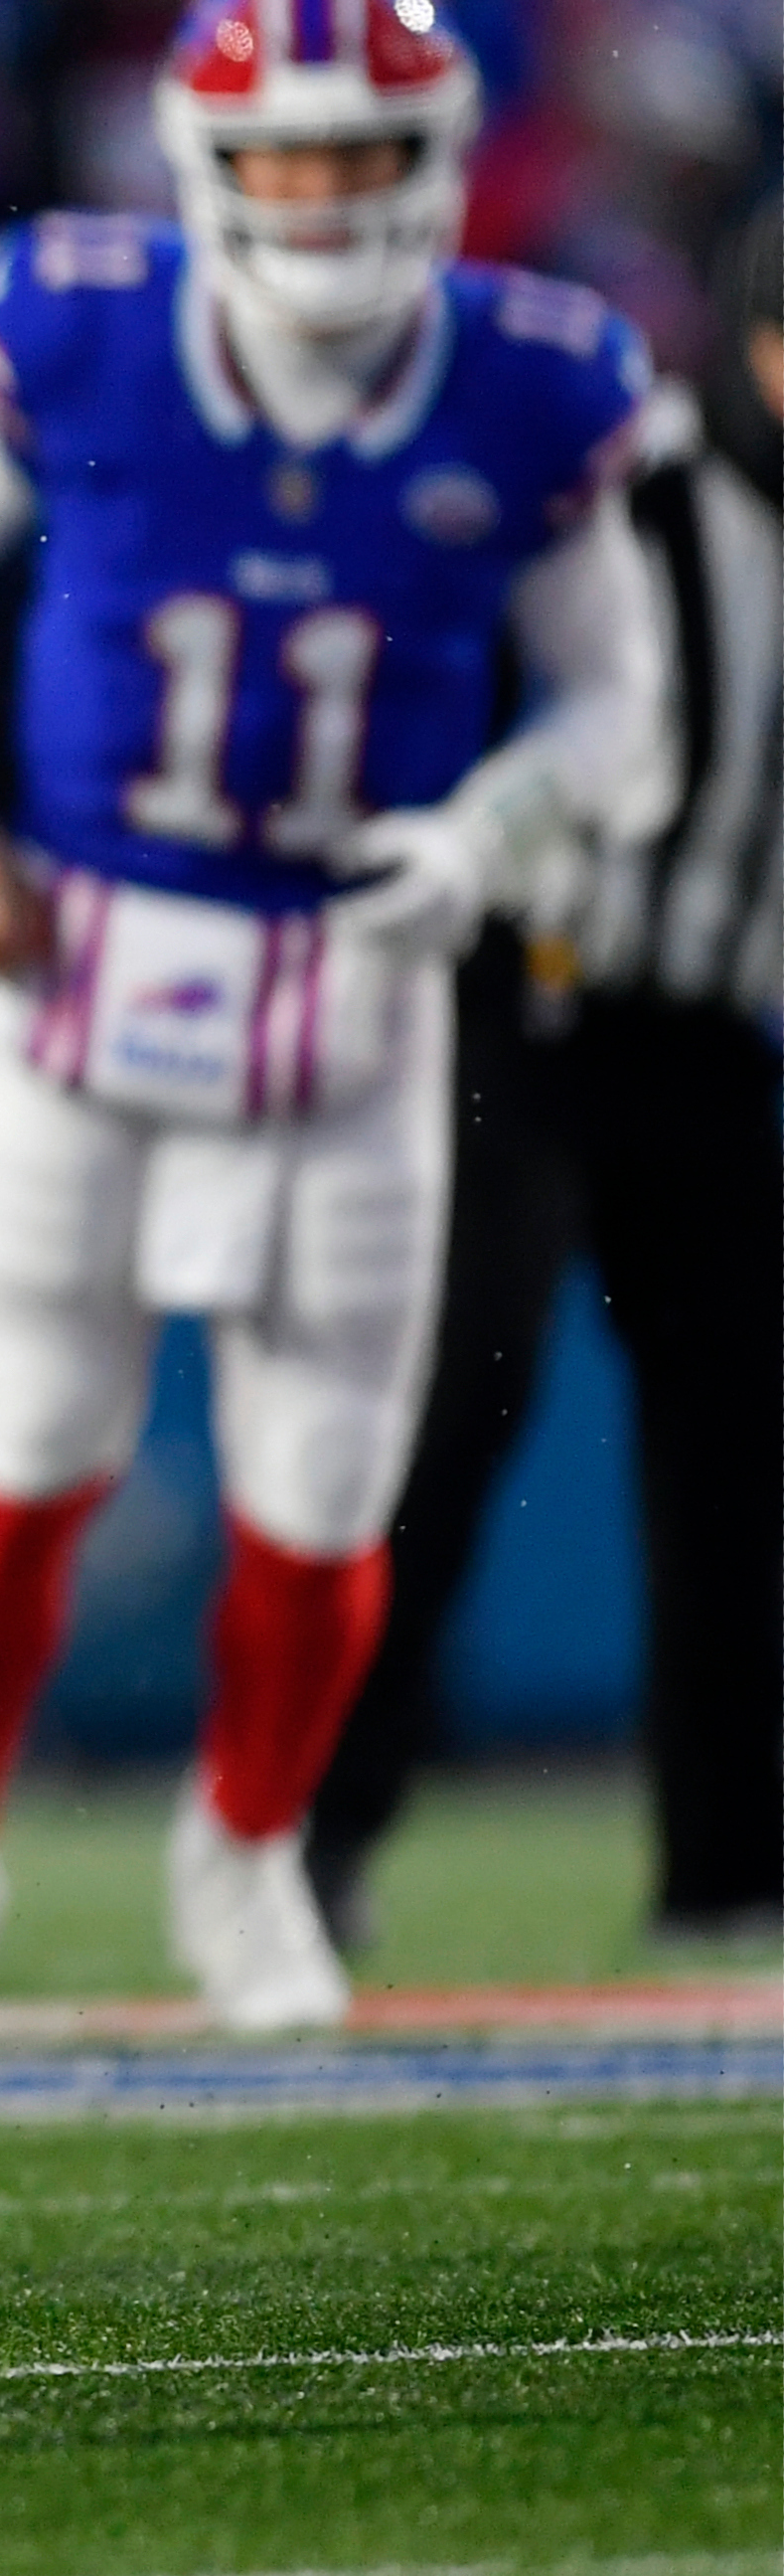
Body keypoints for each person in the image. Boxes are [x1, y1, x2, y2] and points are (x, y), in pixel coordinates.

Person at [0, 0, 666, 2043]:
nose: (322, 196)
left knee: (316, 1493)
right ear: (205, 158)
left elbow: (617, 702)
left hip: (356, 982)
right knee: (30, 1452)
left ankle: (251, 1850)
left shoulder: (525, 377)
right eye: (282, 157)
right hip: (83, 960)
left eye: (362, 149)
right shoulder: (82, 329)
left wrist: (480, 842)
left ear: (439, 151)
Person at [308, 195, 784, 1956]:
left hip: (713, 1037)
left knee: (733, 1460)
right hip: (528, 1002)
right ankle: (313, 1831)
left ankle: (726, 1870)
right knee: (440, 1413)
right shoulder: (629, 488)